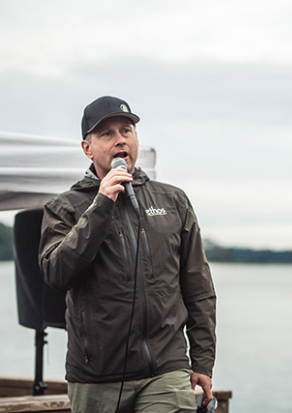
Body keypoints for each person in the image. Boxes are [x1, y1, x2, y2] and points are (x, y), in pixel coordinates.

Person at [39, 96, 216, 413]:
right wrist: (101, 205)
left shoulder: (173, 201)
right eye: (107, 133)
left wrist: (202, 360)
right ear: (87, 148)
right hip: (97, 376)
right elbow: (56, 273)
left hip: (166, 369)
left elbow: (198, 286)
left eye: (126, 130)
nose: (120, 139)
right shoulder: (64, 207)